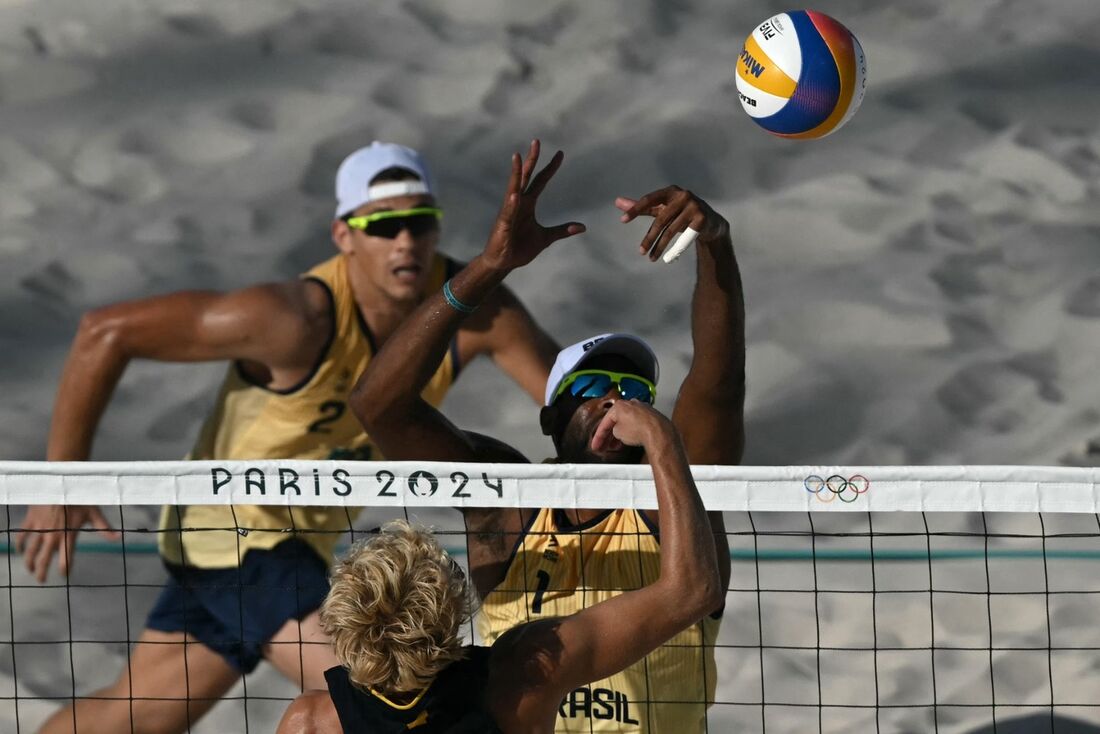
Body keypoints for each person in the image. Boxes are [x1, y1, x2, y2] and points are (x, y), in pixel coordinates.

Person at [16, 141, 560, 734]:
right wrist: (61, 480)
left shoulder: (476, 310)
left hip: (290, 551)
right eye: (384, 225)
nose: (405, 240)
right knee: (389, 699)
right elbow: (104, 332)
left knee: (131, 717)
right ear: (344, 235)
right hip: (237, 537)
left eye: (419, 221)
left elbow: (570, 404)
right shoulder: (294, 319)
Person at [350, 140, 745, 732]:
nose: (614, 397)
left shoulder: (676, 503)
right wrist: (487, 269)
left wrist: (714, 245)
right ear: (549, 417)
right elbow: (378, 405)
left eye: (633, 389)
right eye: (590, 387)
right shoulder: (506, 506)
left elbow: (718, 384)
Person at [276, 398, 723, 734]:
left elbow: (377, 403)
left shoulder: (311, 722)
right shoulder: (521, 675)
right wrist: (663, 440)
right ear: (451, 607)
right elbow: (694, 590)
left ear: (339, 626)